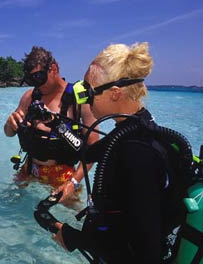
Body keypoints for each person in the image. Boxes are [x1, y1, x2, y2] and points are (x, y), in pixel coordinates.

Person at [51, 42, 187, 263]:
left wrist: (76, 239)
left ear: (115, 93)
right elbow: (91, 153)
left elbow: (146, 254)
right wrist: (57, 126)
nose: (83, 101)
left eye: (87, 91)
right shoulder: (135, 127)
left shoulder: (137, 152)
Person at [4, 46, 98, 189]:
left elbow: (93, 147)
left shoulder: (78, 99)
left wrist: (73, 182)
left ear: (53, 69)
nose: (37, 85)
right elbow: (8, 133)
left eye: (39, 77)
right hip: (29, 168)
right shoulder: (30, 96)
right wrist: (10, 124)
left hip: (63, 173)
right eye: (31, 80)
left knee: (69, 211)